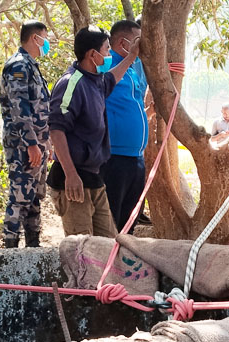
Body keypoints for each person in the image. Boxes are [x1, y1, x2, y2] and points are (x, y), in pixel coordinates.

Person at [46, 27, 140, 237]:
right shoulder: (71, 83)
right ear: (92, 55)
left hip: (94, 178)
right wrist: (70, 174)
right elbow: (57, 129)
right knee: (82, 249)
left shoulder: (96, 80)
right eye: (106, 51)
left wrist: (132, 55)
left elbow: (112, 78)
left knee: (108, 242)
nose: (108, 56)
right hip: (74, 181)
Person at [0, 21, 52, 248]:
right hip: (23, 145)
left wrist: (45, 144)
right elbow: (19, 109)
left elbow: (41, 109)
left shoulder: (32, 66)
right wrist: (31, 143)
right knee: (19, 197)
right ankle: (9, 251)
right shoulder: (18, 66)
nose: (46, 44)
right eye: (45, 38)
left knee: (34, 198)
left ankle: (33, 247)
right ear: (34, 38)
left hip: (37, 145)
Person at [101, 20, 148, 232]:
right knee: (112, 217)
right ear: (123, 42)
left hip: (135, 157)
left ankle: (123, 260)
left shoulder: (131, 71)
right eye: (138, 40)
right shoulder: (107, 66)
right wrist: (130, 58)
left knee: (131, 217)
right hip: (115, 157)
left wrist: (151, 113)